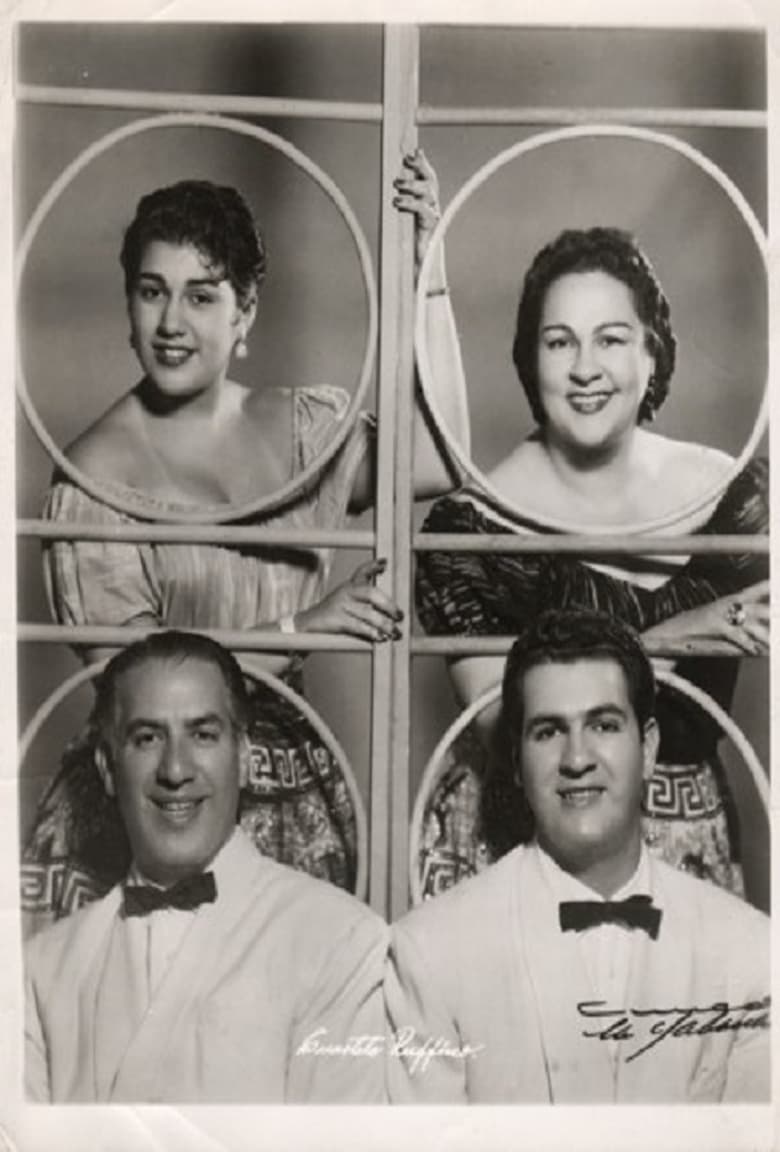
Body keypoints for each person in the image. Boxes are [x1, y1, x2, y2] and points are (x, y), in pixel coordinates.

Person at [22, 154, 468, 931]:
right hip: (151, 809)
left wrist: (430, 266)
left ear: (246, 312)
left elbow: (439, 458)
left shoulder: (302, 430)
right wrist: (303, 627)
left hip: (299, 803)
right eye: (152, 292)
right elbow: (141, 693)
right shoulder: (90, 479)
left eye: (201, 296)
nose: (171, 322)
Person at [415, 224, 768, 899]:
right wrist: (679, 635)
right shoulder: (467, 532)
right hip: (517, 846)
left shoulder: (739, 501)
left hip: (686, 841)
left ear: (652, 354)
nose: (585, 368)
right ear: (530, 360)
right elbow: (506, 728)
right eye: (559, 342)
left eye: (610, 339)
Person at [385, 610, 770, 1103]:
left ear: (648, 748)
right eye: (548, 732)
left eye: (604, 725)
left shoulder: (748, 949)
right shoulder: (430, 952)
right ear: (517, 762)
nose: (577, 759)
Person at [24, 630, 388, 1103]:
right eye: (147, 738)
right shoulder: (43, 968)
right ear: (109, 770)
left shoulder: (339, 940)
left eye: (202, 735)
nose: (176, 770)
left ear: (244, 759)